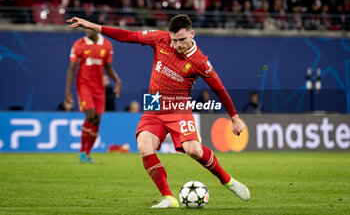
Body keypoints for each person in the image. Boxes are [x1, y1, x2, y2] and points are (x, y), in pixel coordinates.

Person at [66, 14, 250, 207]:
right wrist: (92, 26)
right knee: (144, 145)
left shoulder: (200, 62)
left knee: (193, 150)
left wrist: (234, 118)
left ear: (192, 34)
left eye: (182, 40)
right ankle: (169, 198)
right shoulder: (160, 38)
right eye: (174, 40)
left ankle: (228, 181)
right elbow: (127, 36)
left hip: (178, 105)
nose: (177, 45)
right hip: (154, 102)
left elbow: (219, 89)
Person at [65, 25, 122, 163]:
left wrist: (117, 80)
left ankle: (87, 153)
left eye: (89, 28)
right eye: (85, 29)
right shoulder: (79, 44)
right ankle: (81, 152)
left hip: (98, 88)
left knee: (97, 120)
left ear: (96, 29)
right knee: (90, 116)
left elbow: (108, 67)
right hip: (84, 86)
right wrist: (67, 90)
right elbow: (72, 67)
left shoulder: (107, 45)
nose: (86, 31)